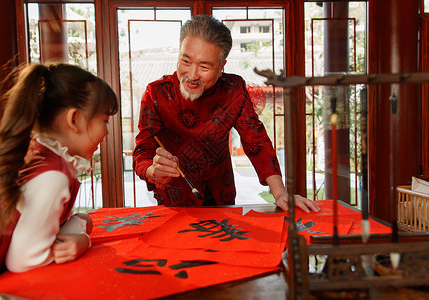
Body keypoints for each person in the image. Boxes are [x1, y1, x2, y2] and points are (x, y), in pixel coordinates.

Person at [133, 14, 320, 213]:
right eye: (185, 61)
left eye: (204, 66)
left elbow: (256, 141)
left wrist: (281, 193)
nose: (193, 75)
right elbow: (142, 151)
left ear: (222, 67)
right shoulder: (156, 93)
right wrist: (155, 171)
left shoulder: (233, 89)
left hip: (221, 195)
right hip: (175, 200)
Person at [0, 62, 118, 285]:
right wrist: (83, 242)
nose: (107, 132)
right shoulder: (53, 177)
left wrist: (81, 223)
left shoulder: (40, 154)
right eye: (104, 120)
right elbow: (24, 258)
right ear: (74, 120)